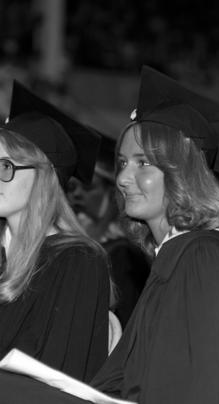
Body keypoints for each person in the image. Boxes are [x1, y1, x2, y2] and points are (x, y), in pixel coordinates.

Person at [0, 66, 219, 404]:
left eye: (143, 163)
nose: (123, 178)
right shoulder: (176, 257)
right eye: (123, 162)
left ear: (183, 170)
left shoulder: (204, 257)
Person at [0, 80, 110, 383]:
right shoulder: (3, 256)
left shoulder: (76, 262)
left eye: (5, 166)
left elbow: (59, 376)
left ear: (44, 177)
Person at [67, 133, 151, 328]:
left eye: (88, 188)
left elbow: (125, 318)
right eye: (73, 187)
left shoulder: (122, 252)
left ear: (110, 191)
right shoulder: (73, 234)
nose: (77, 194)